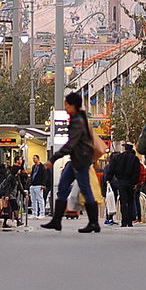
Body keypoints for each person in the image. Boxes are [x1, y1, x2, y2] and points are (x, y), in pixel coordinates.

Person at [44, 92, 100, 233]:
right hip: (76, 159)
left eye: (67, 105)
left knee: (85, 189)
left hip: (81, 160)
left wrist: (53, 159)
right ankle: (56, 221)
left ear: (73, 105)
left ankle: (94, 223)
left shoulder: (78, 122)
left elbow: (71, 144)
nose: (66, 108)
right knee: (63, 185)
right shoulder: (77, 118)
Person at [112, 142, 141, 228]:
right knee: (131, 201)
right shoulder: (135, 159)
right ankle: (130, 221)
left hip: (121, 182)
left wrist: (110, 178)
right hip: (131, 182)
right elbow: (137, 172)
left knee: (123, 202)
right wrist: (135, 182)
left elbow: (113, 168)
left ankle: (124, 221)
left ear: (125, 148)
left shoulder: (119, 157)